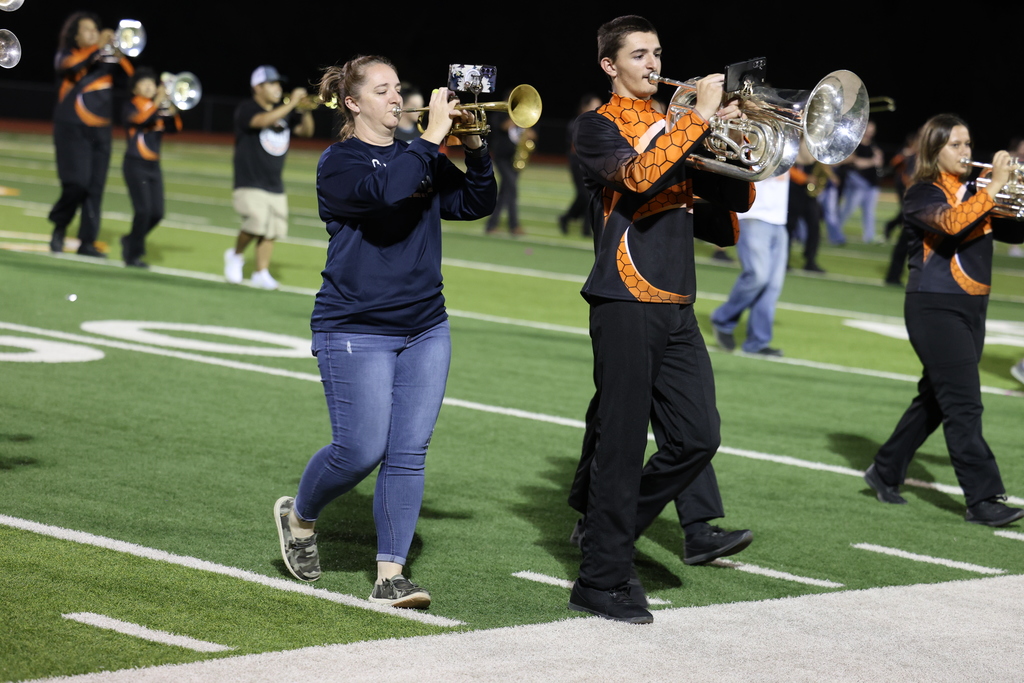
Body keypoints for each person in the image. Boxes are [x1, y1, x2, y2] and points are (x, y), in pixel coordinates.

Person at [273, 56, 496, 607]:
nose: (398, 98)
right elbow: (385, 195)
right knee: (360, 449)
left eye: (398, 88)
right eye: (382, 90)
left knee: (408, 452)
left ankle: (390, 574)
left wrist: (476, 147)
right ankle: (299, 517)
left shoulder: (414, 153)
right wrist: (433, 140)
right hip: (355, 325)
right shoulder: (338, 162)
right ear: (353, 102)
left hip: (425, 327)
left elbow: (474, 202)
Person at [566, 15, 754, 624]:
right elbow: (639, 177)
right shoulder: (596, 128)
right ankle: (600, 581)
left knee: (699, 437)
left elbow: (731, 214)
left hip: (677, 303)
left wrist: (730, 140)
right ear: (609, 66)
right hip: (624, 298)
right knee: (620, 447)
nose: (653, 63)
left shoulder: (676, 128)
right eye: (639, 54)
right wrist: (695, 121)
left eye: (658, 52)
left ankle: (605, 530)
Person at [864, 114, 1023, 527]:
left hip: (972, 308)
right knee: (965, 405)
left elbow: (1014, 233)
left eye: (968, 143)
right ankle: (983, 499)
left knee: (937, 400)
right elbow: (952, 225)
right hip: (935, 308)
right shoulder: (921, 193)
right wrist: (994, 187)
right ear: (934, 151)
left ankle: (885, 469)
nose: (967, 152)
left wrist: (1011, 191)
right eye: (956, 144)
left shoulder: (976, 192)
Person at [48, 12, 134, 257]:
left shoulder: (105, 59)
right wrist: (99, 46)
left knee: (95, 188)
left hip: (101, 131)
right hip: (71, 128)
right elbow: (71, 67)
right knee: (76, 184)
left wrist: (118, 52)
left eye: (96, 30)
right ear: (74, 35)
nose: (94, 34)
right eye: (87, 30)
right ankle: (60, 225)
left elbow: (132, 81)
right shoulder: (67, 56)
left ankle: (87, 242)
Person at [224, 65, 314, 290]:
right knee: (256, 222)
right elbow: (261, 121)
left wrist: (305, 110)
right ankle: (235, 255)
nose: (278, 88)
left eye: (278, 83)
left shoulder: (283, 111)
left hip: (274, 183)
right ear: (257, 87)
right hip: (249, 180)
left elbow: (306, 132)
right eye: (272, 84)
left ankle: (260, 272)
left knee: (272, 230)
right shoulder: (247, 108)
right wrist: (292, 103)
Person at [711, 173, 790, 356]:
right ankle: (723, 318)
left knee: (772, 286)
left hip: (779, 219)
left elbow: (805, 156)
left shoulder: (790, 143)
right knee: (758, 276)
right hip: (753, 214)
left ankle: (757, 342)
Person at [120, 68, 182, 268]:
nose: (149, 86)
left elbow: (175, 128)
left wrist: (171, 106)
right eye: (144, 83)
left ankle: (131, 239)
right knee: (144, 210)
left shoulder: (159, 108)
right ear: (135, 88)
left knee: (157, 213)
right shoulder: (131, 106)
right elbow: (141, 120)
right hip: (135, 163)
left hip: (153, 166)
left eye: (152, 83)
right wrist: (157, 102)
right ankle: (132, 255)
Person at [484, 103, 536, 236]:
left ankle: (491, 225)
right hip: (502, 158)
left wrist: (528, 130)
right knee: (512, 189)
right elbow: (503, 126)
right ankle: (514, 225)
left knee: (504, 193)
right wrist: (517, 118)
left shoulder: (527, 116)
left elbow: (534, 135)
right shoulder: (500, 115)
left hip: (516, 158)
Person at [558, 93, 602, 237]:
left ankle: (585, 228)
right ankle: (566, 218)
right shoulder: (577, 122)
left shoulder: (598, 123)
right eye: (594, 105)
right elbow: (575, 146)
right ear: (585, 107)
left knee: (592, 195)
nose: (598, 108)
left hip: (591, 162)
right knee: (583, 195)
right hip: (578, 162)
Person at [836, 120, 884, 244]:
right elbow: (855, 162)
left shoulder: (873, 145)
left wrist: (878, 158)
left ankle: (870, 236)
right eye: (868, 130)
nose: (869, 133)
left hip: (872, 184)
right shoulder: (855, 144)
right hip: (857, 183)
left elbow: (878, 162)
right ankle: (835, 230)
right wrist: (873, 161)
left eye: (872, 131)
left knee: (869, 212)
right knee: (848, 209)